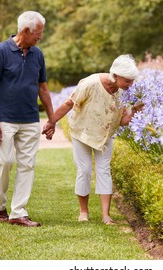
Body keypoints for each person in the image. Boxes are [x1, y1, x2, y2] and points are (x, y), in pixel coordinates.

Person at [42, 54, 143, 225]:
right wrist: (52, 121)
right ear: (116, 75)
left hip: (104, 136)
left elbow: (122, 121)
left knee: (104, 171)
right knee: (85, 170)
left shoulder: (123, 92)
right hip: (83, 132)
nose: (130, 84)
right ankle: (83, 212)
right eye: (128, 80)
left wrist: (134, 111)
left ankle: (106, 215)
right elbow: (69, 103)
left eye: (132, 81)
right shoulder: (91, 83)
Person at [0, 11, 56, 227]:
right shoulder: (1, 51)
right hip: (5, 119)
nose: (40, 37)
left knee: (27, 165)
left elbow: (43, 88)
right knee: (3, 162)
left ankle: (18, 213)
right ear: (25, 31)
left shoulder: (38, 54)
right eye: (38, 33)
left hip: (30, 119)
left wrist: (52, 119)